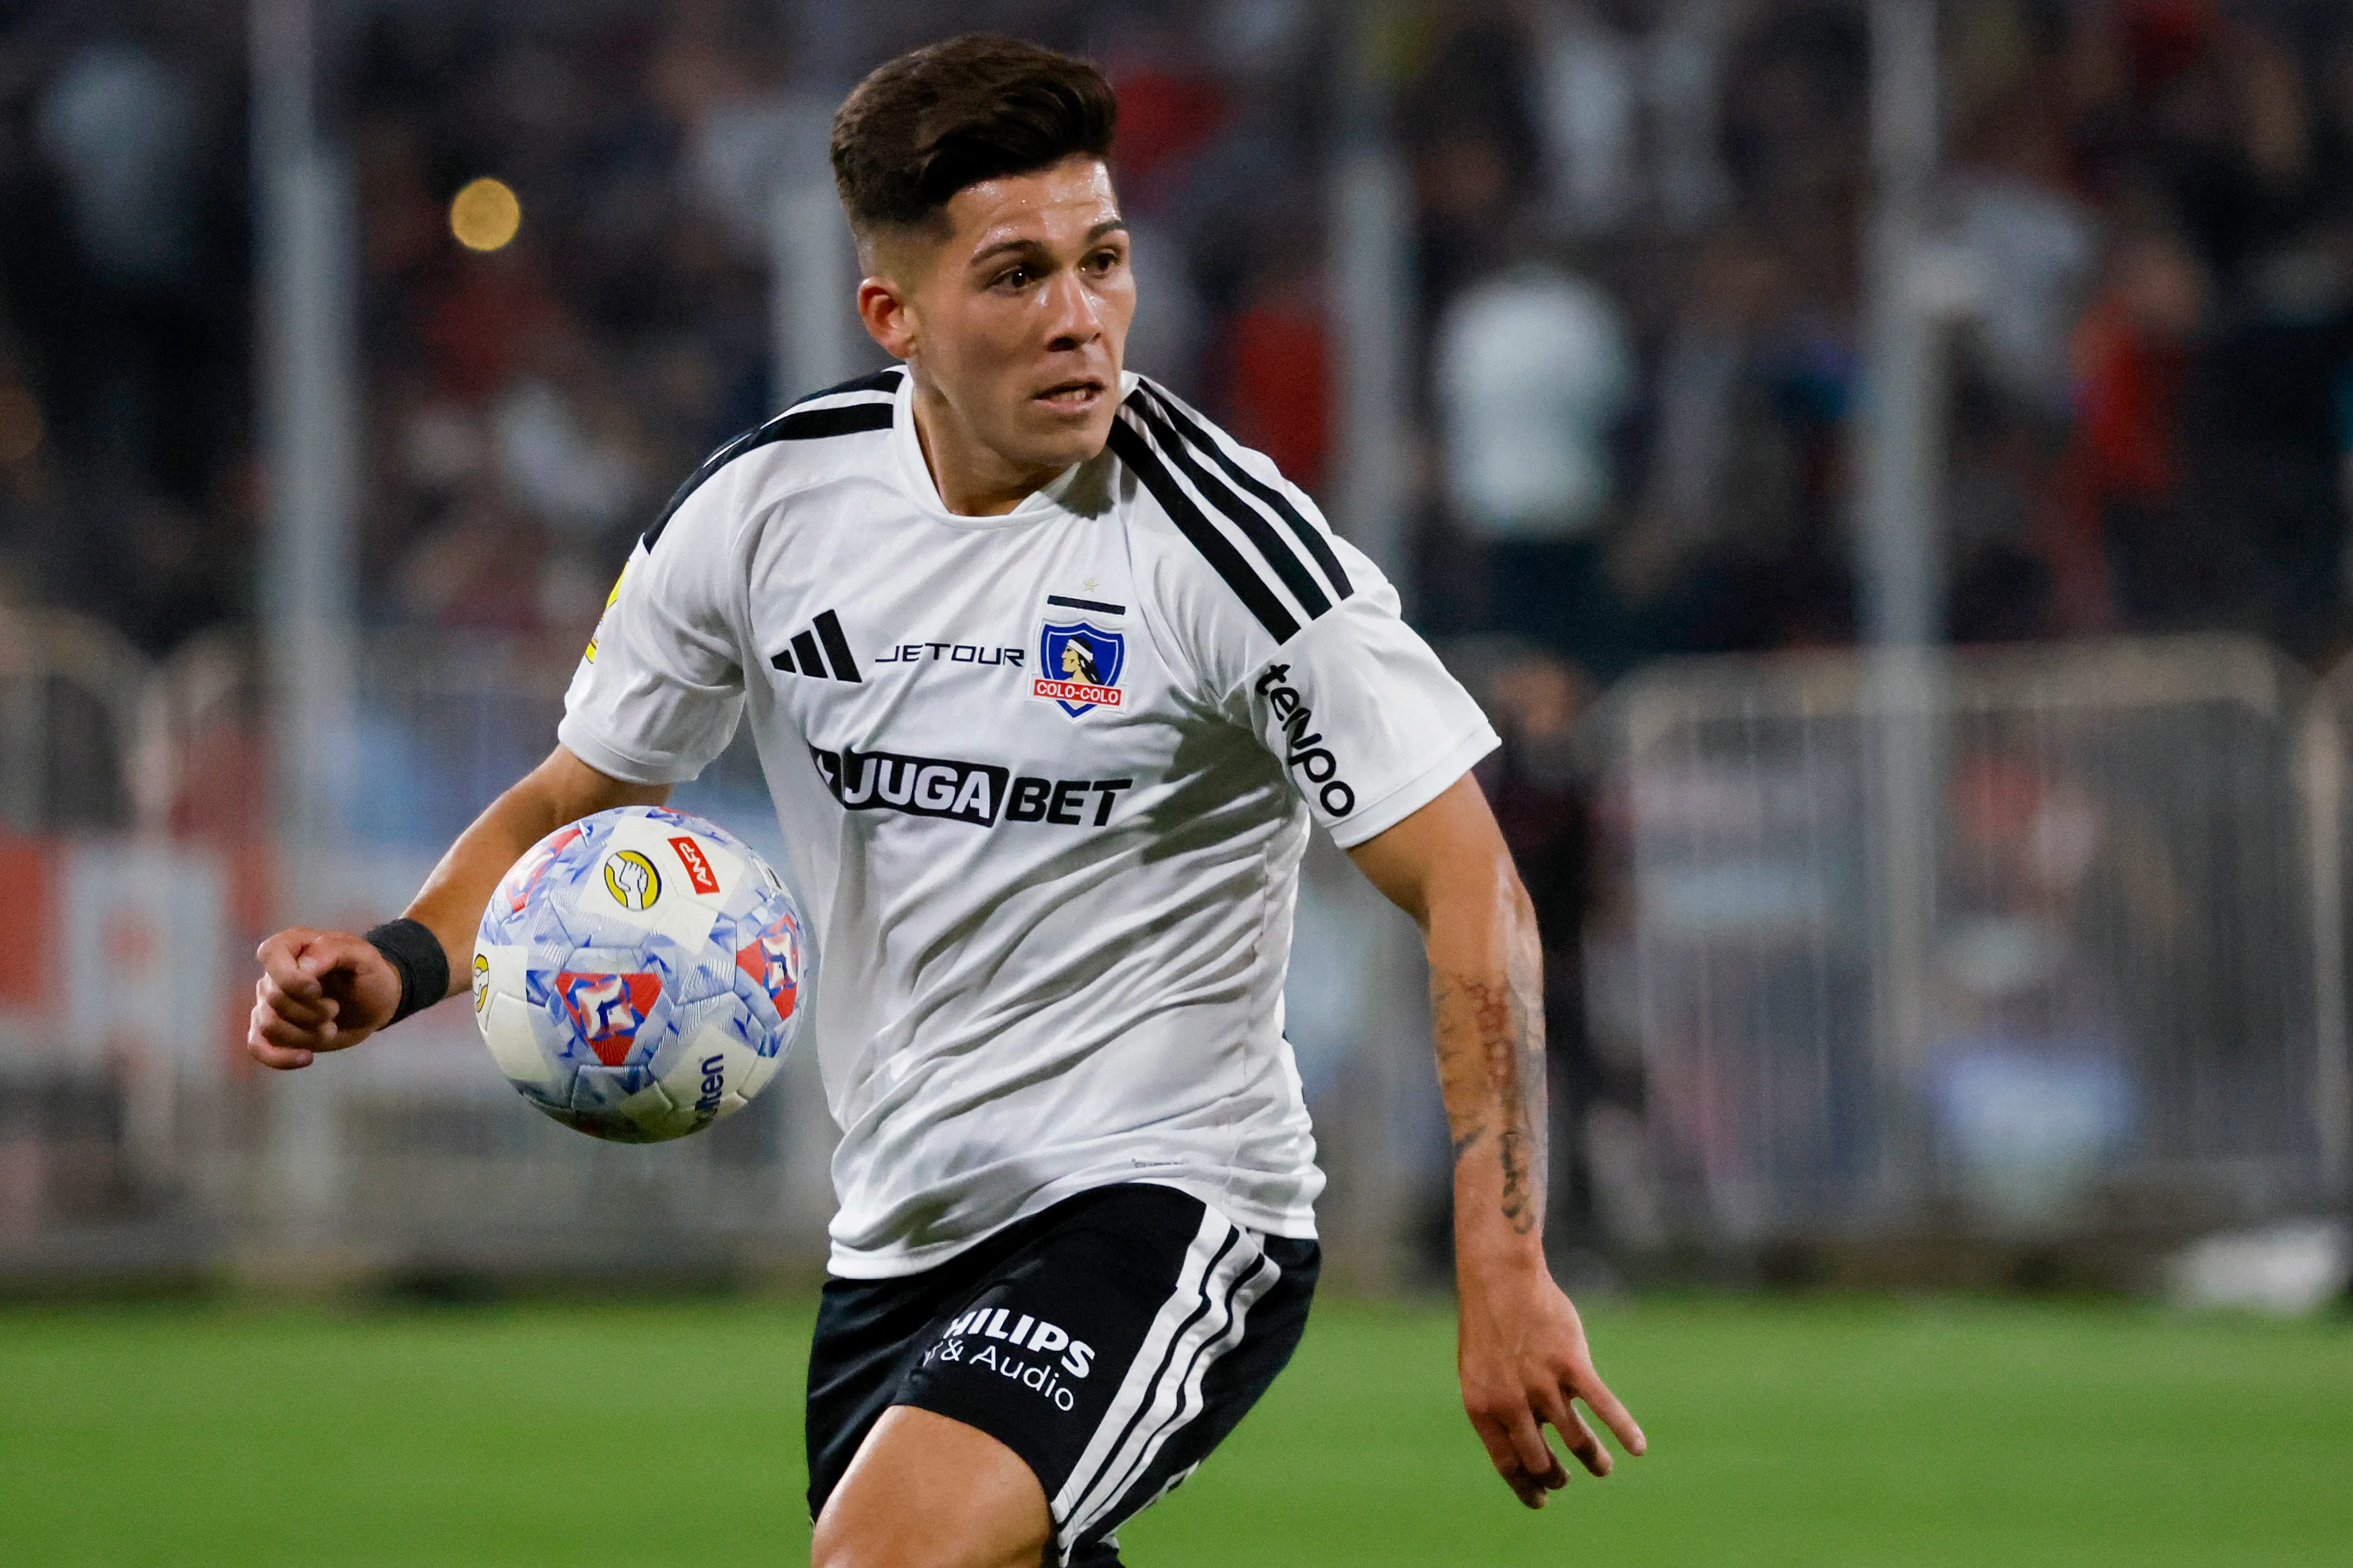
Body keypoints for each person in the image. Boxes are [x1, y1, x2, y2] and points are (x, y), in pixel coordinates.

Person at [246, 35, 1642, 1568]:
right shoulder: (768, 512)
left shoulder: (1226, 551)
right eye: (1017, 275)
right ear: (892, 314)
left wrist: (1501, 1255)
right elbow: (578, 793)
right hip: (898, 1232)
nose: (1080, 320)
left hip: (1170, 1202)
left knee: (888, 1561)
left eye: (1103, 262)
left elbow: (1468, 877)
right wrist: (400, 962)